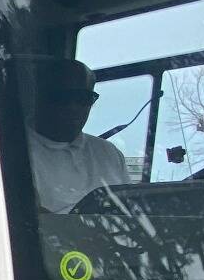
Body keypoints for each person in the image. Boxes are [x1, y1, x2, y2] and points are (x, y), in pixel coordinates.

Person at [20, 56, 128, 213]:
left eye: (83, 98)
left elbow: (130, 211)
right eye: (62, 97)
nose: (73, 107)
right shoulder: (14, 154)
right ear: (38, 97)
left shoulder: (109, 154)